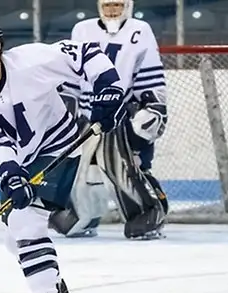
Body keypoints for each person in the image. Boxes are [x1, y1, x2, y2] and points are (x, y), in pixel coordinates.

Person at [0, 12, 128, 293]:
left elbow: (87, 52)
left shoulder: (32, 61)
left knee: (25, 220)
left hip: (59, 147)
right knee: (13, 237)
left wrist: (108, 87)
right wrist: (9, 175)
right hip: (22, 160)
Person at [51, 0, 169, 240]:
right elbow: (72, 74)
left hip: (118, 116)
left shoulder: (140, 30)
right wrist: (63, 108)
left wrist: (153, 109)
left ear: (128, 6)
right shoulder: (82, 30)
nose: (112, 10)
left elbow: (150, 78)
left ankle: (147, 213)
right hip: (86, 116)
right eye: (107, 5)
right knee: (78, 172)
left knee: (122, 169)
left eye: (117, 5)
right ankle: (81, 216)